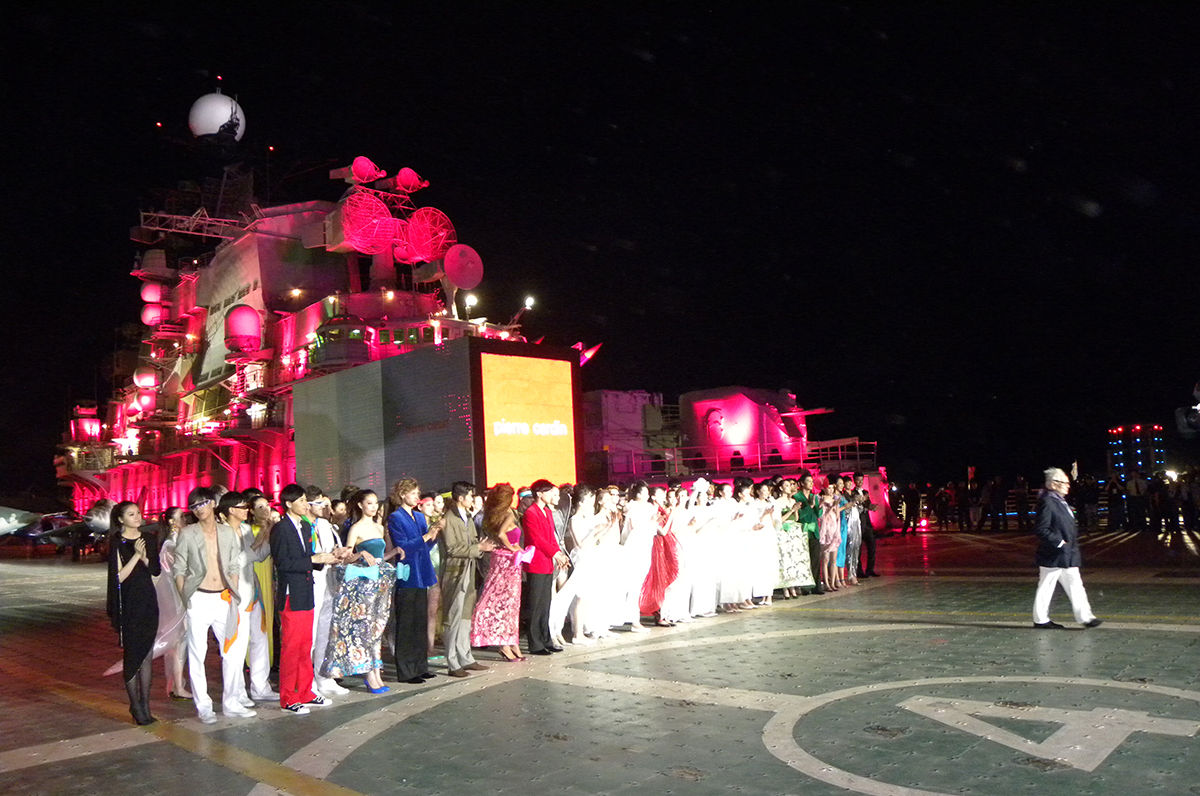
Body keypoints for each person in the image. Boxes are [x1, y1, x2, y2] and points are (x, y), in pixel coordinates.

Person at [174, 487, 255, 724]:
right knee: (197, 654)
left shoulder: (227, 532)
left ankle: (232, 702)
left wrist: (233, 591)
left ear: (212, 504)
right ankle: (204, 707)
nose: (199, 509)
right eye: (194, 506)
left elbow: (233, 565)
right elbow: (179, 568)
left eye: (202, 503)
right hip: (198, 598)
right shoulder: (187, 533)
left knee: (233, 652)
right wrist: (186, 598)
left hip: (224, 597)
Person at [322, 489, 400, 693]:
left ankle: (376, 672)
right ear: (360, 505)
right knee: (365, 628)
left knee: (378, 628)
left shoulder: (379, 527)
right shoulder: (355, 528)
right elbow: (345, 558)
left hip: (380, 583)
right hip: (363, 585)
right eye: (369, 503)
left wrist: (394, 552)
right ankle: (368, 674)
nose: (373, 507)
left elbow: (379, 558)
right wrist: (361, 553)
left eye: (375, 503)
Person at [270, 483, 338, 715]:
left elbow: (308, 557)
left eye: (304, 500)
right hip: (292, 593)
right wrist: (313, 560)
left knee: (305, 645)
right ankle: (288, 697)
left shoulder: (305, 527)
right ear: (288, 504)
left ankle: (306, 691)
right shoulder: (281, 529)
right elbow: (283, 563)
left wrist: (325, 558)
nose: (304, 505)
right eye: (300, 501)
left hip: (307, 590)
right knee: (292, 647)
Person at [217, 491, 277, 704]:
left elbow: (257, 556)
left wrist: (267, 537)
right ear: (231, 510)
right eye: (243, 507)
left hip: (253, 589)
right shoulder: (220, 533)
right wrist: (254, 546)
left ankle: (261, 686)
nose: (247, 510)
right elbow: (231, 564)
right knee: (237, 644)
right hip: (234, 593)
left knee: (260, 639)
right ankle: (237, 693)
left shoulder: (245, 529)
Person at [106, 501, 160, 725]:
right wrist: (136, 555)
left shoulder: (148, 538)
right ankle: (135, 706)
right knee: (133, 655)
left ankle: (145, 704)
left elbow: (155, 570)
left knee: (147, 655)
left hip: (148, 601)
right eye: (131, 514)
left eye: (138, 512)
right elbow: (118, 578)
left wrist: (145, 556)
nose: (137, 517)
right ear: (121, 519)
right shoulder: (117, 542)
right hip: (129, 604)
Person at [1032, 468, 1102, 630]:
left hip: (1066, 553)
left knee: (1075, 584)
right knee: (1047, 586)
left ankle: (1086, 617)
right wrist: (1059, 543)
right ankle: (1040, 619)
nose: (1068, 486)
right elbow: (1041, 528)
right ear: (1053, 484)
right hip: (1054, 553)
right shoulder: (1048, 501)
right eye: (1064, 483)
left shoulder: (1059, 501)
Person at [437, 481, 494, 677]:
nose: (472, 499)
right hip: (455, 572)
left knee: (465, 616)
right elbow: (452, 548)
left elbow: (472, 542)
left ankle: (466, 656)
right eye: (470, 496)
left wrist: (480, 545)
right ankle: (452, 662)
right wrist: (478, 548)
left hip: (470, 570)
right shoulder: (449, 518)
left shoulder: (467, 517)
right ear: (460, 498)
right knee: (453, 617)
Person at [387, 478, 440, 684]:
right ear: (402, 494)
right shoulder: (395, 517)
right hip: (408, 572)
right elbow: (402, 546)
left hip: (422, 571)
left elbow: (424, 546)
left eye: (418, 493)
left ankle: (420, 666)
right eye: (413, 493)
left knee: (420, 622)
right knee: (407, 623)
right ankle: (406, 670)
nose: (417, 497)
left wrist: (433, 535)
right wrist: (426, 537)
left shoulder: (419, 516)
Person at [471, 484, 527, 661]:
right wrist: (512, 548)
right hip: (508, 561)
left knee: (506, 602)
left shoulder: (492, 515)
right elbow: (503, 534)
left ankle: (511, 642)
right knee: (508, 603)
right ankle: (506, 644)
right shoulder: (508, 514)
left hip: (499, 559)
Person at [523, 479, 571, 654]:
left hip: (548, 562)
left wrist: (559, 554)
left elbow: (551, 537)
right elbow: (536, 539)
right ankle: (535, 643)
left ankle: (546, 639)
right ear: (539, 493)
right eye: (549, 491)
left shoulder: (547, 512)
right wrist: (555, 554)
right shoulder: (530, 513)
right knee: (535, 605)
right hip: (536, 562)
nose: (552, 494)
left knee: (545, 604)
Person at [155, 506, 191, 700]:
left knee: (180, 642)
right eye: (181, 517)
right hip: (176, 597)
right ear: (172, 522)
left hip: (178, 595)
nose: (185, 519)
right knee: (177, 642)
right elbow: (176, 574)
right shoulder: (171, 544)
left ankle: (177, 683)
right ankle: (178, 685)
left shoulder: (176, 541)